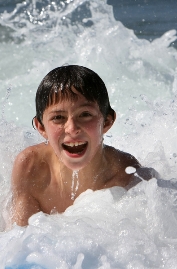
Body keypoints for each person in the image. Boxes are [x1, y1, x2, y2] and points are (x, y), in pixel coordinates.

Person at [10, 65, 155, 226]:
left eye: (85, 114)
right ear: (41, 127)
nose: (72, 128)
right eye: (58, 117)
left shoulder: (127, 176)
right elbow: (18, 241)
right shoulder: (31, 167)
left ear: (107, 121)